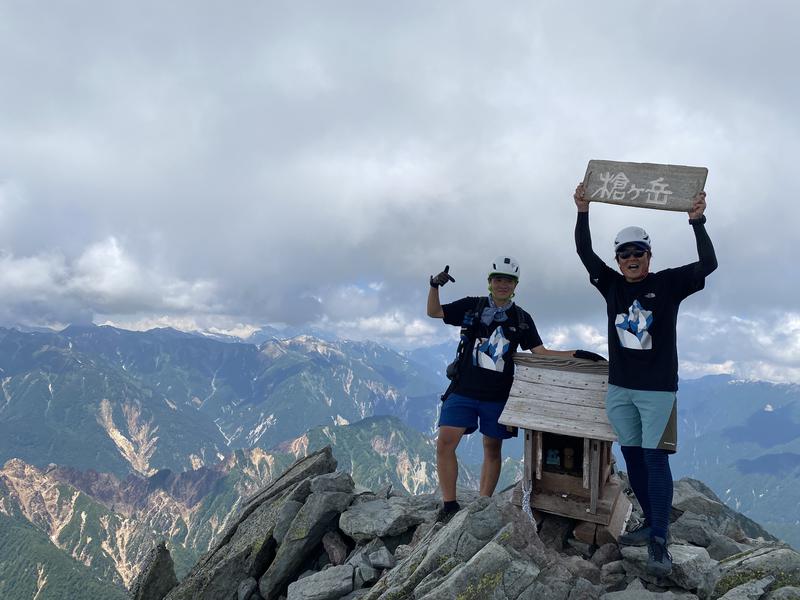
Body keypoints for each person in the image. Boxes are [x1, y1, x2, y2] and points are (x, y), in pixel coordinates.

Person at [573, 183, 718, 576]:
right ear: (618, 261)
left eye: (638, 252)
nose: (632, 259)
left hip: (656, 391)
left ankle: (658, 540)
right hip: (620, 388)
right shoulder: (612, 286)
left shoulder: (668, 284)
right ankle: (651, 524)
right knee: (633, 456)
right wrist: (583, 210)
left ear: (649, 256)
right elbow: (585, 253)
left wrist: (697, 221)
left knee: (655, 459)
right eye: (625, 254)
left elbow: (708, 264)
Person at [427, 256, 604, 522]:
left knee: (492, 448)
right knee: (445, 443)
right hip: (463, 389)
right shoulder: (471, 306)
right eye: (498, 279)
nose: (502, 285)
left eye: (508, 281)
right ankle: (449, 505)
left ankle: (482, 505)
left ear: (515, 285)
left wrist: (577, 353)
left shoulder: (521, 318)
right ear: (489, 282)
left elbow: (541, 352)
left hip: (497, 395)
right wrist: (434, 285)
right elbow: (434, 312)